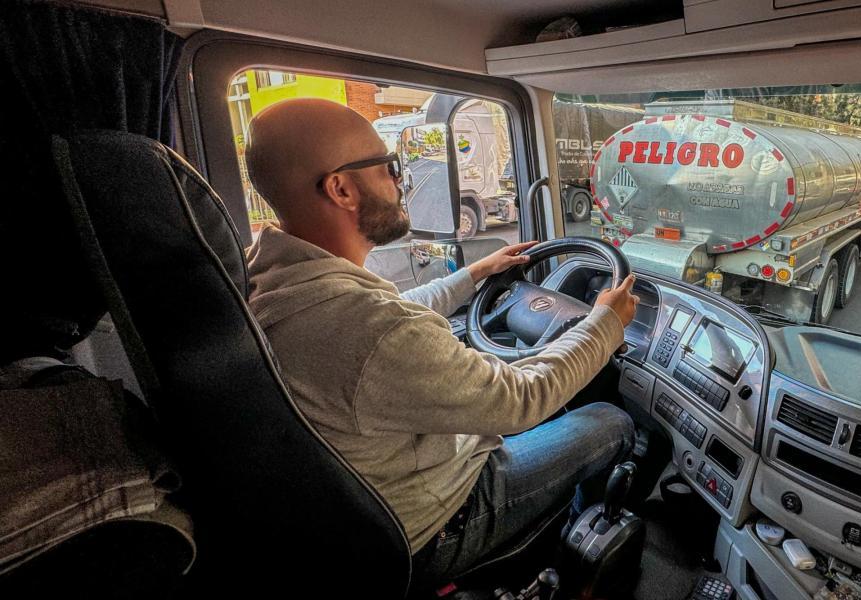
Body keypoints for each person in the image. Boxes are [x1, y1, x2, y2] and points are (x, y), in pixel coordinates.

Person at [242, 98, 640, 580]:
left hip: (362, 510)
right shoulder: (371, 328)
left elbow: (390, 317)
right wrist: (604, 325)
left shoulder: (271, 277)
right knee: (610, 420)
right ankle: (582, 566)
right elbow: (523, 399)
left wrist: (474, 274)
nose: (401, 180)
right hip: (434, 521)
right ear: (342, 189)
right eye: (389, 166)